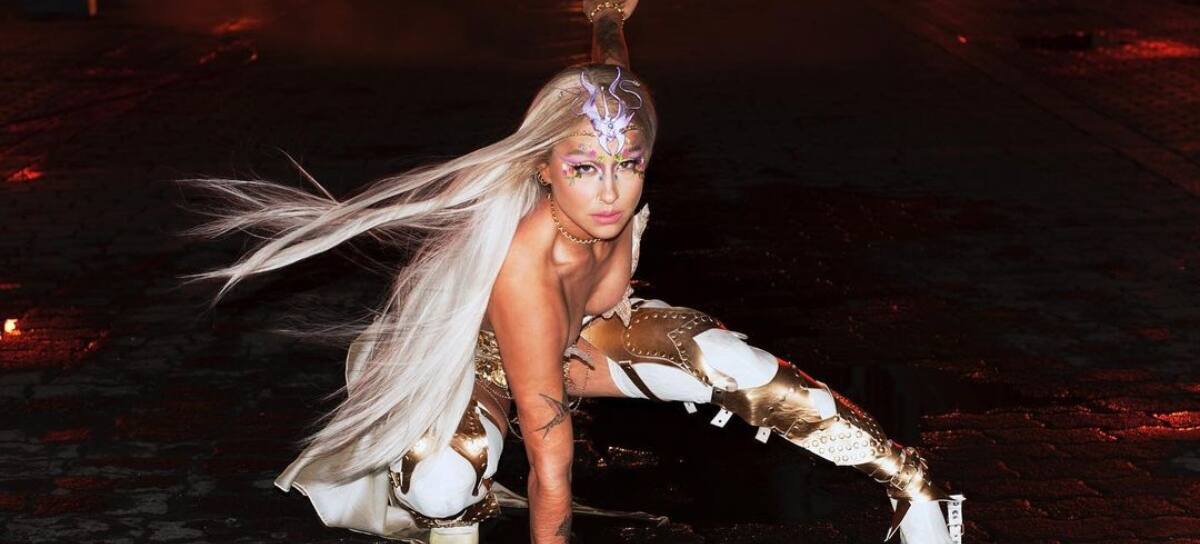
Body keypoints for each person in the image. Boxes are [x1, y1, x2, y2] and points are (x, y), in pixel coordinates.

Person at [181, 1, 965, 543]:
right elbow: (551, 467)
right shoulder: (528, 265)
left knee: (731, 364)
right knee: (443, 483)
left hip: (583, 336)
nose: (611, 191)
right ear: (545, 167)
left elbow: (612, 79)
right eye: (585, 167)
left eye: (630, 164)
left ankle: (916, 489)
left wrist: (606, 20)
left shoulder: (610, 124)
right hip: (479, 368)